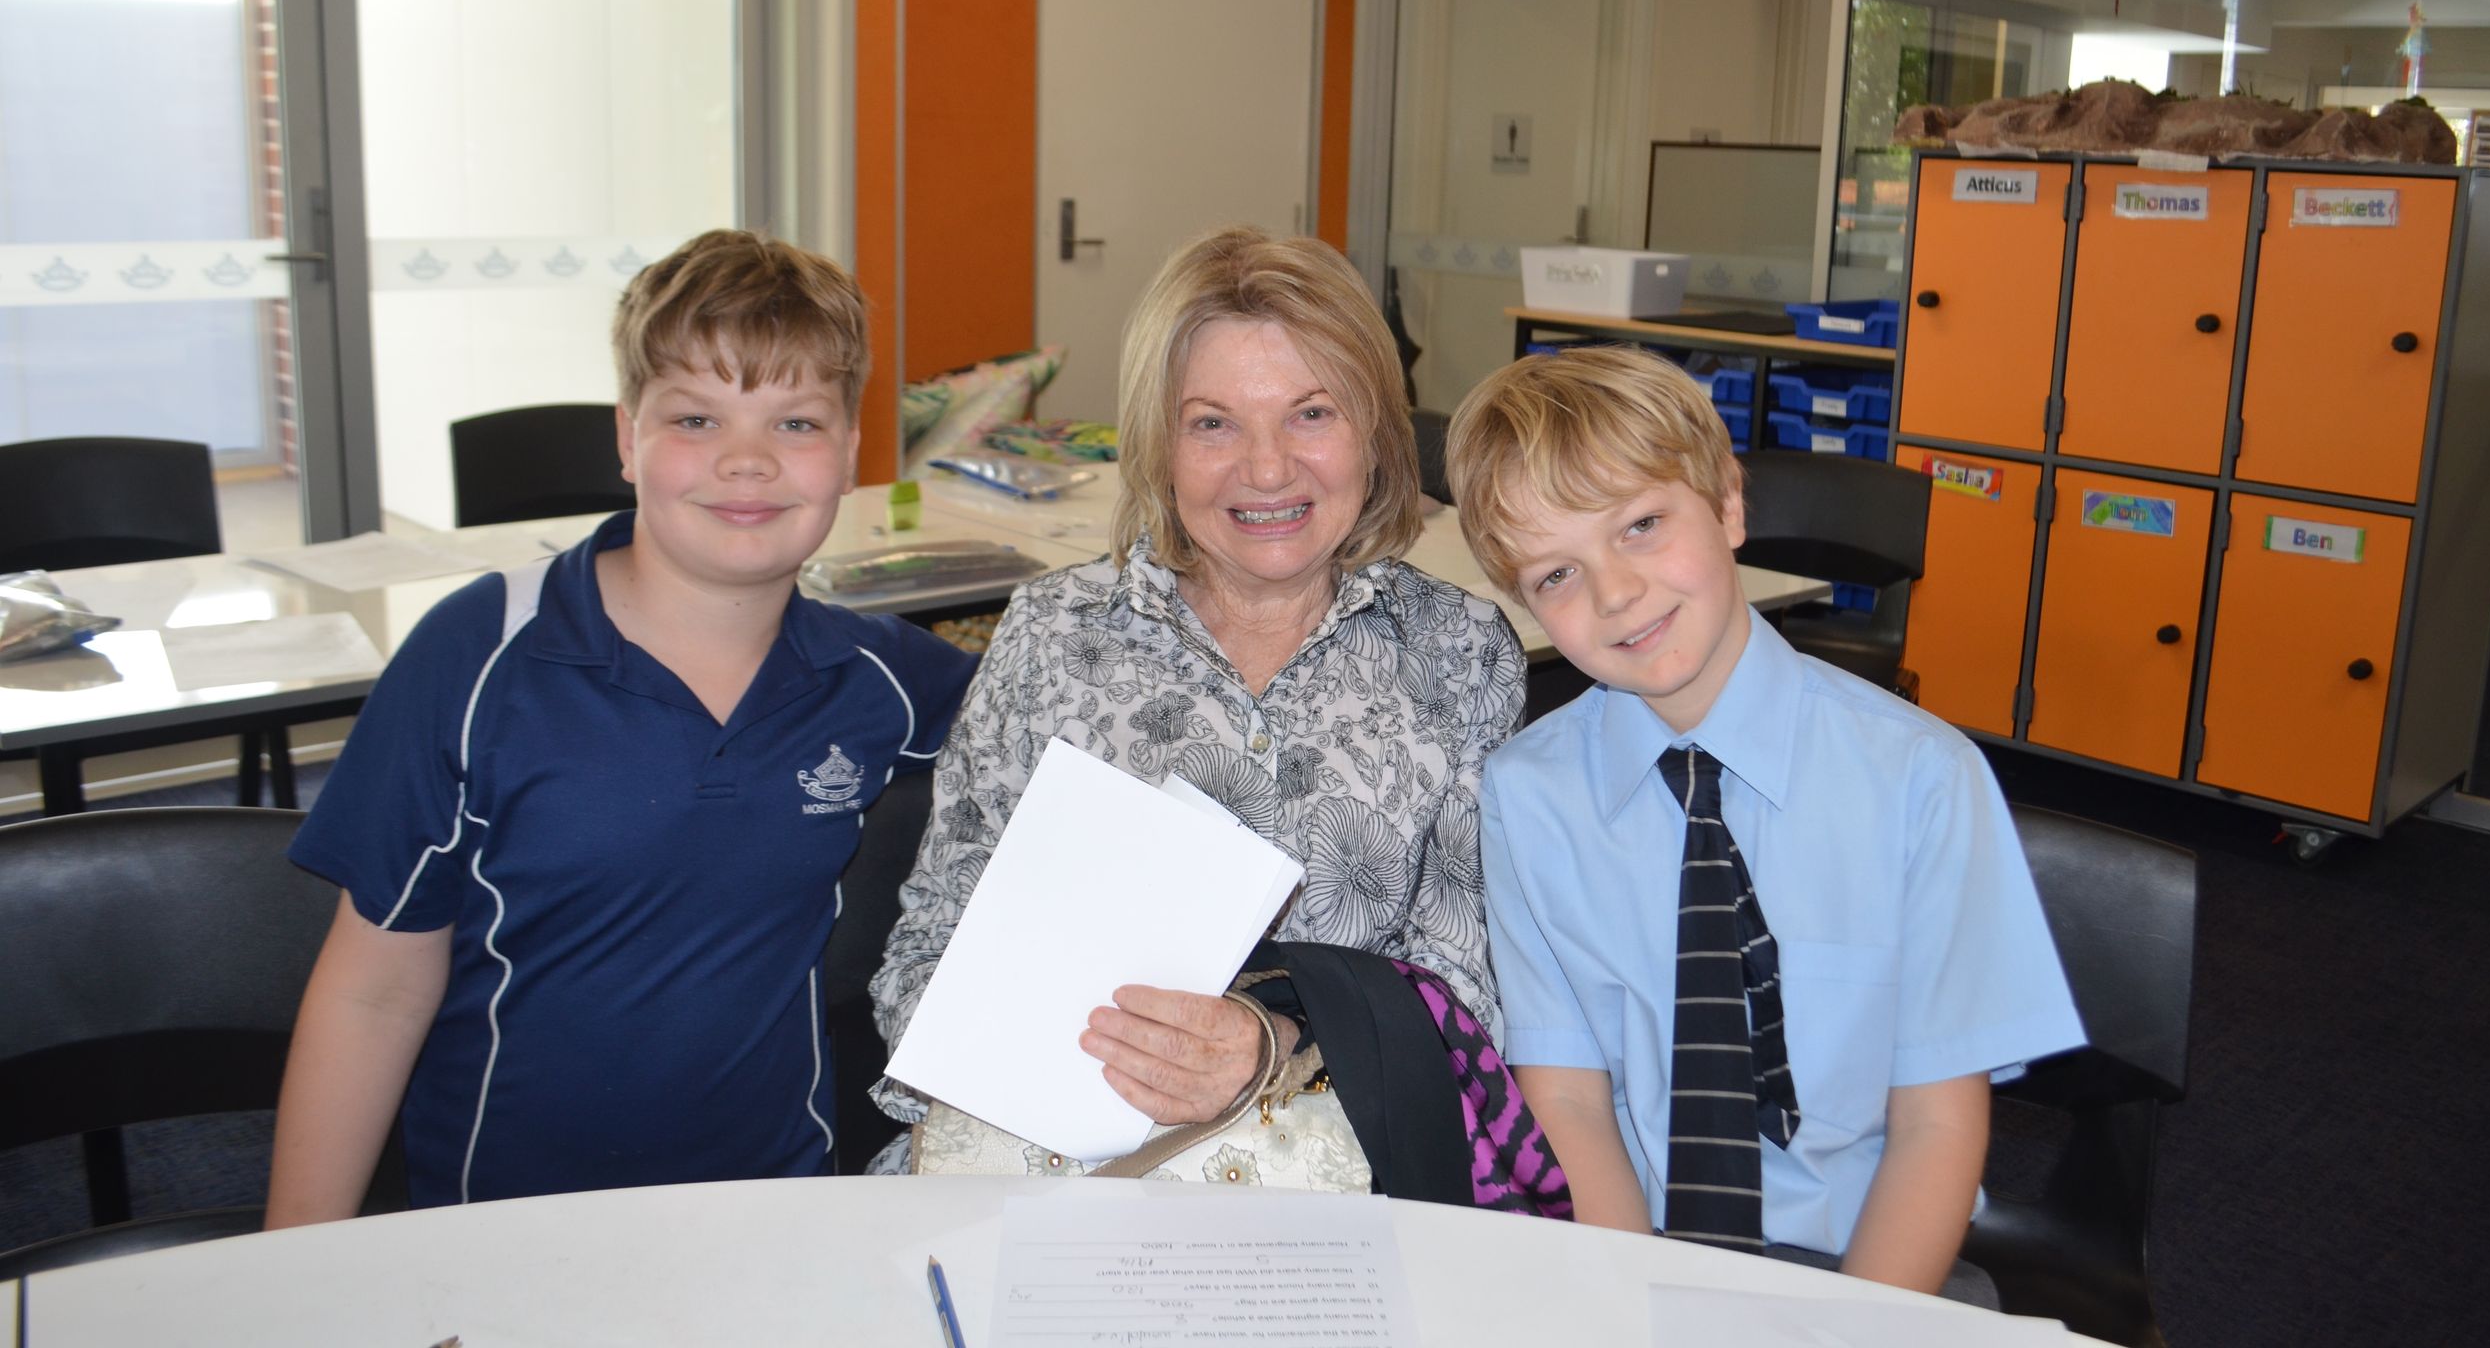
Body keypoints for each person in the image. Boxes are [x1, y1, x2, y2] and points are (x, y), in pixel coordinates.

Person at [266, 229, 977, 1222]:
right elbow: (374, 990)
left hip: (775, 1213)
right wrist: (295, 1257)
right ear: (626, 438)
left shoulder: (881, 679)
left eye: (796, 422)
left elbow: (1070, 725)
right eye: (695, 417)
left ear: (850, 453)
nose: (746, 461)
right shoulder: (479, 656)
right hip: (505, 1225)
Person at [1443, 345, 2082, 1297]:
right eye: (1556, 575)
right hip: (1639, 1252)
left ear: (1729, 507)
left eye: (1642, 525)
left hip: (1871, 1268)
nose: (1616, 593)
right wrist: (1635, 1311)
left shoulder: (1922, 780)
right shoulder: (1525, 794)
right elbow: (1568, 1097)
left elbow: (1937, 1127)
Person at [868, 228, 1522, 1157]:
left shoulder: (1460, 653)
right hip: (1042, 1158)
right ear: (1158, 445)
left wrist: (1281, 1046)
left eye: (1312, 413)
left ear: (1377, 432)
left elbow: (1467, 997)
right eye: (1212, 423)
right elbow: (931, 951)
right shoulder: (1054, 634)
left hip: (1327, 1168)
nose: (1267, 469)